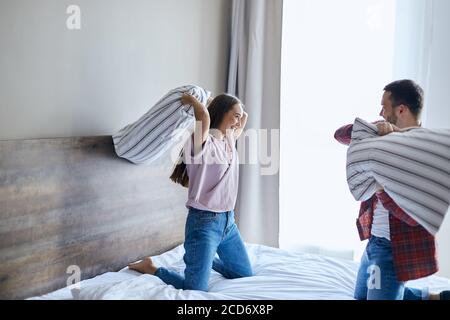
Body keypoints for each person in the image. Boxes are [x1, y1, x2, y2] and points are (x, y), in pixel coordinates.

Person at [335, 79, 450, 300]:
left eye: (384, 107)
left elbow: (412, 215)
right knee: (361, 297)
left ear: (401, 109)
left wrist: (381, 187)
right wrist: (373, 129)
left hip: (393, 249)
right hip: (374, 243)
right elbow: (340, 135)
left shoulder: (423, 153)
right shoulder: (381, 136)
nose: (380, 111)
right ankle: (433, 297)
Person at [128, 92, 253, 291]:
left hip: (228, 223)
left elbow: (244, 117)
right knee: (196, 289)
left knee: (244, 273)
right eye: (235, 115)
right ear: (221, 114)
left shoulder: (228, 139)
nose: (239, 121)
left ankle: (203, 258)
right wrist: (193, 100)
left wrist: (234, 111)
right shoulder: (200, 143)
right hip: (204, 224)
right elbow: (203, 116)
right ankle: (152, 268)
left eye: (239, 116)